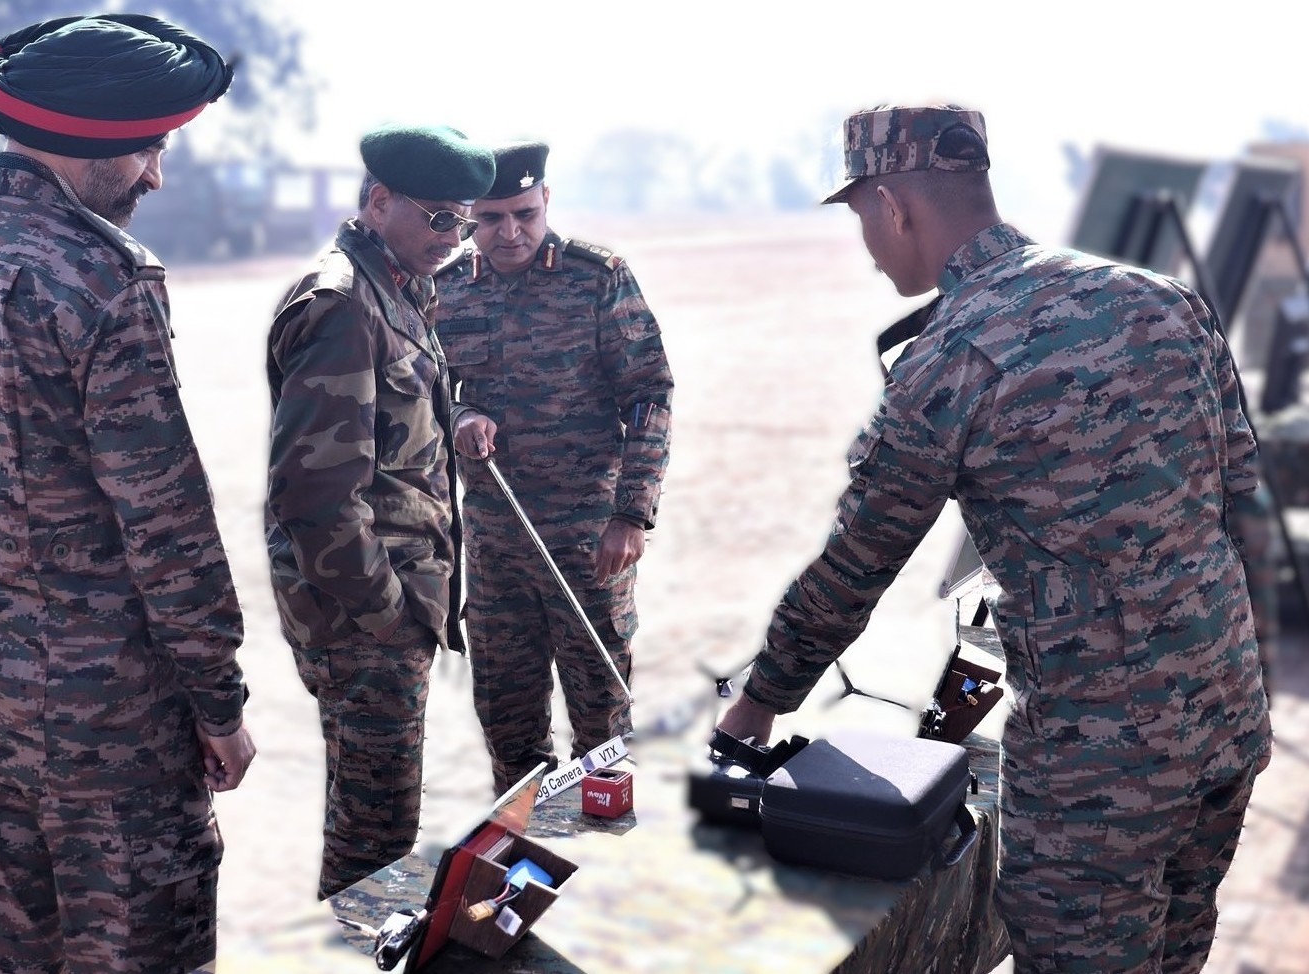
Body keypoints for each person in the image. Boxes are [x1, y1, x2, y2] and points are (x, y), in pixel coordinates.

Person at [715, 104, 1271, 973]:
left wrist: (759, 702)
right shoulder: (1161, 298)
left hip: (1101, 767)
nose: (867, 243)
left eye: (863, 215)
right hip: (1227, 718)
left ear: (894, 205)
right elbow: (1239, 490)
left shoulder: (955, 358)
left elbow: (859, 562)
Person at [0, 14, 256, 972]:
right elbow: (166, 524)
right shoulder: (106, 277)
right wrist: (220, 704)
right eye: (152, 146)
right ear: (92, 143)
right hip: (107, 731)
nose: (156, 173)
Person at [265, 123, 494, 899]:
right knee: (375, 840)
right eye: (438, 217)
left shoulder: (395, 287)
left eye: (462, 220)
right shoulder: (343, 306)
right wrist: (389, 613)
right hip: (362, 615)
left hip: (390, 603)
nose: (454, 236)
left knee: (381, 822)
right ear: (377, 200)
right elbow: (317, 496)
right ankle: (358, 950)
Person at [435, 140, 674, 795]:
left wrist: (632, 515)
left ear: (546, 203)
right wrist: (458, 419)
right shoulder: (446, 290)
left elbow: (650, 392)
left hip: (586, 538)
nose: (509, 232)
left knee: (601, 721)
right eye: (490, 219)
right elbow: (423, 398)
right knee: (508, 722)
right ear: (467, 220)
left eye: (524, 214)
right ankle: (525, 847)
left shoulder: (596, 278)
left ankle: (604, 850)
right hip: (494, 540)